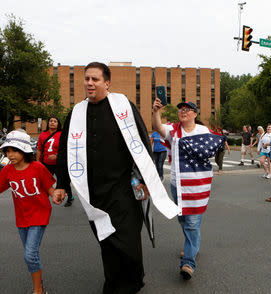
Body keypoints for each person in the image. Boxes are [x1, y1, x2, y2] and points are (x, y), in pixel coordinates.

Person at [55, 62, 178, 293]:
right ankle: (112, 283)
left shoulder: (123, 106)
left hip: (123, 189)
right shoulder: (76, 113)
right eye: (87, 79)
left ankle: (133, 279)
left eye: (95, 79)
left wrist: (145, 179)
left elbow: (141, 143)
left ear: (107, 83)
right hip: (92, 191)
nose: (89, 83)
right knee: (106, 241)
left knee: (128, 241)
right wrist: (61, 183)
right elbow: (65, 149)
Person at [0, 130, 62, 294]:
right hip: (22, 218)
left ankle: (38, 290)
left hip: (39, 215)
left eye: (14, 150)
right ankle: (39, 284)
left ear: (24, 150)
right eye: (7, 150)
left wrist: (55, 195)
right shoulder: (8, 170)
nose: (10, 154)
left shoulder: (37, 167)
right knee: (31, 255)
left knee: (30, 255)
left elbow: (50, 188)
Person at [152, 99, 225, 280]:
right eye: (180, 109)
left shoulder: (203, 132)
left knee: (192, 223)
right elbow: (158, 128)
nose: (183, 111)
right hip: (177, 185)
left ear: (194, 114)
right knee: (183, 220)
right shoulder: (174, 131)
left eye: (187, 109)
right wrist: (156, 112)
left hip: (197, 185)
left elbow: (214, 146)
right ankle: (192, 246)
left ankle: (189, 262)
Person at [37, 116, 74, 207]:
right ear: (48, 123)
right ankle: (44, 200)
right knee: (45, 182)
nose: (52, 122)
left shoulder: (62, 134)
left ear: (58, 124)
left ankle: (70, 197)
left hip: (59, 164)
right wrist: (38, 162)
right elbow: (39, 150)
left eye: (55, 121)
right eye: (50, 121)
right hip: (46, 164)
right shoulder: (43, 135)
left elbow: (67, 148)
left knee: (63, 182)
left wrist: (57, 156)